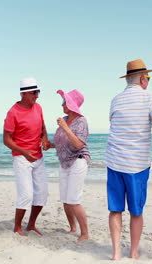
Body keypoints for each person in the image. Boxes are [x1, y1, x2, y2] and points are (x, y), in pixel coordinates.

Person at [104, 59, 152, 260]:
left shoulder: (116, 99)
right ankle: (134, 252)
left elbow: (115, 124)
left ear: (128, 79)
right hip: (136, 164)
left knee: (115, 209)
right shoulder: (149, 97)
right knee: (136, 211)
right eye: (148, 78)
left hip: (114, 161)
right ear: (143, 79)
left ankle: (116, 253)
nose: (149, 82)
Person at [3, 77, 50, 236]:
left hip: (38, 157)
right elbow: (6, 140)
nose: (37, 96)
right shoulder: (13, 113)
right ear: (24, 94)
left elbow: (43, 126)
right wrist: (24, 152)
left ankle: (31, 224)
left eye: (38, 92)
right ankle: (17, 227)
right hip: (21, 158)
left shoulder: (38, 108)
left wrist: (44, 137)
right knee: (26, 195)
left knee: (42, 194)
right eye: (34, 93)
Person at [51, 89, 90, 242]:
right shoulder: (65, 119)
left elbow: (78, 144)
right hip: (64, 163)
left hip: (78, 161)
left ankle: (85, 233)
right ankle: (73, 228)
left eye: (64, 102)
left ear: (72, 105)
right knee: (65, 200)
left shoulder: (81, 121)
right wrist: (51, 145)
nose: (62, 105)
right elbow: (63, 142)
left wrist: (66, 128)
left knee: (74, 200)